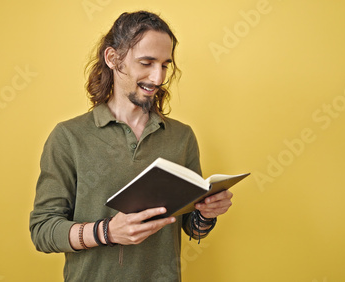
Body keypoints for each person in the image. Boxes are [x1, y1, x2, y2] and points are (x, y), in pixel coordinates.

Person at [29, 10, 233, 281]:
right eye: (146, 63)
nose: (158, 78)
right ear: (113, 59)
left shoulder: (181, 137)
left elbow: (192, 230)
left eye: (164, 65)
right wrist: (108, 232)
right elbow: (43, 231)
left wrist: (206, 214)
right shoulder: (69, 137)